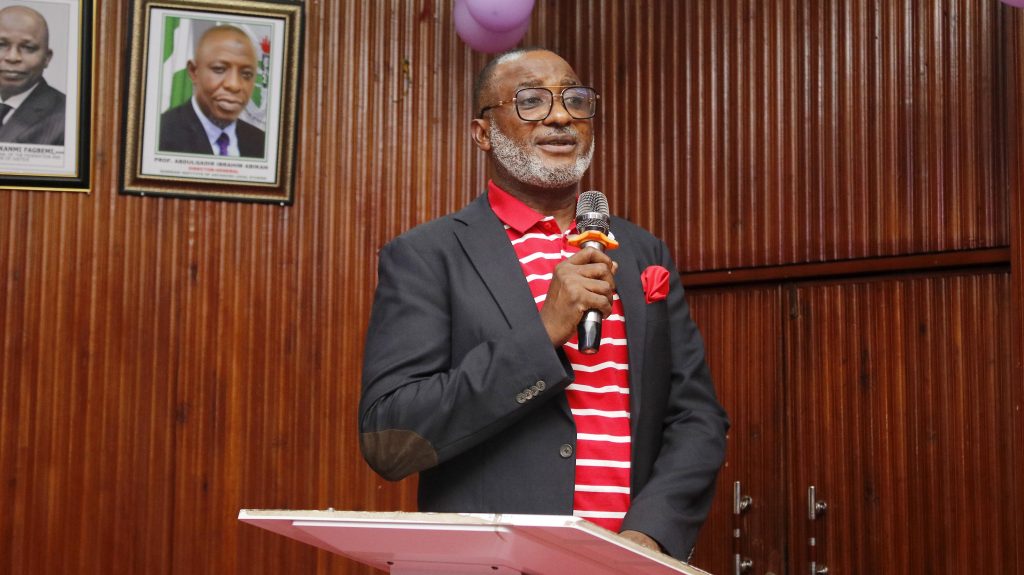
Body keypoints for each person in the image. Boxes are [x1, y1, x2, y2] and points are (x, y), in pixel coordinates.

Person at [359, 47, 728, 561]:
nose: (560, 116)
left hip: (625, 563)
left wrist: (652, 533)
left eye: (574, 100)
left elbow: (695, 418)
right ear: (483, 133)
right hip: (493, 565)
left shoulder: (644, 252)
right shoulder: (428, 256)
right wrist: (543, 333)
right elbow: (390, 439)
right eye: (530, 101)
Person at [158, 24, 265, 158]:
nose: (234, 85)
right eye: (219, 69)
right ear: (194, 71)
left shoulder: (261, 143)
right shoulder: (159, 135)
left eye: (246, 74)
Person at [0, 5, 64, 146]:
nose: (13, 57)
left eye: (28, 47)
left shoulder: (67, 118)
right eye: (1, 45)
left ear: (47, 58)